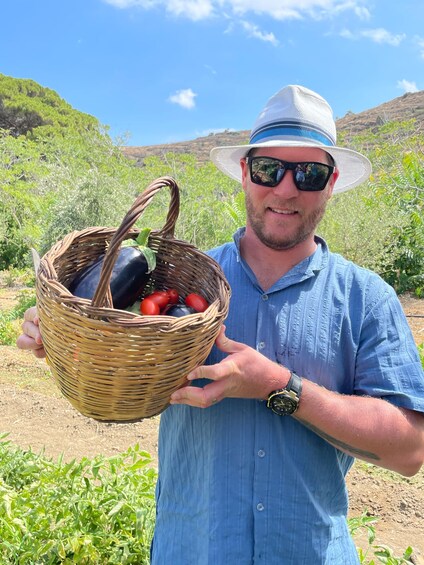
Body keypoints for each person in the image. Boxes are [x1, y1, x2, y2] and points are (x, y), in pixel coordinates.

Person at [18, 85, 424, 564]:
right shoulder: (180, 284)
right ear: (244, 172)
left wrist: (278, 385)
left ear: (331, 182)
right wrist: (66, 335)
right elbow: (111, 361)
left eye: (309, 174)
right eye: (268, 169)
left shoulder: (366, 299)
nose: (286, 188)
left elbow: (409, 450)